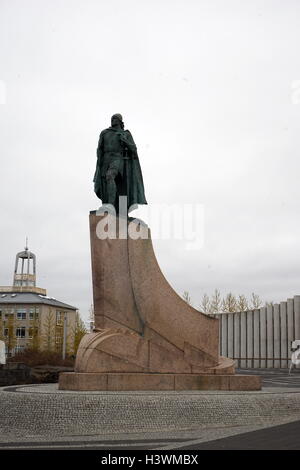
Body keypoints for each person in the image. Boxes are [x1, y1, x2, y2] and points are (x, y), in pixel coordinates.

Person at [93, 114, 147, 213]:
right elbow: (99, 148)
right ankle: (110, 206)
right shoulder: (105, 133)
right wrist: (99, 162)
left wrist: (125, 141)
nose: (113, 120)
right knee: (105, 183)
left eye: (115, 119)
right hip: (105, 160)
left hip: (118, 159)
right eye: (112, 119)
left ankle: (110, 206)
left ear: (120, 121)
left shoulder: (125, 133)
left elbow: (133, 149)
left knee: (110, 176)